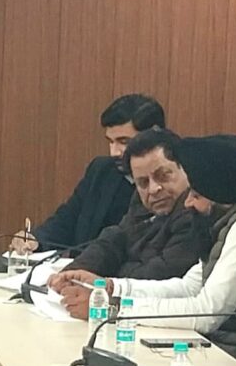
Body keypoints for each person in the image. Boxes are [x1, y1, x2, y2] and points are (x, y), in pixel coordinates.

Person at [58, 133, 236, 348]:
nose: (188, 203)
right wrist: (111, 288)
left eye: (196, 194)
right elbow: (189, 286)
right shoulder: (234, 216)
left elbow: (206, 313)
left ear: (222, 193)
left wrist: (111, 310)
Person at [41, 128, 210, 309]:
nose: (153, 189)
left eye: (163, 176)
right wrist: (73, 274)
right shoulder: (142, 202)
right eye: (143, 182)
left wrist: (107, 283)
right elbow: (114, 241)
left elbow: (162, 275)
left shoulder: (196, 212)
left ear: (185, 169)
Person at [10, 94, 168, 254]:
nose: (114, 152)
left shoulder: (169, 185)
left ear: (154, 136)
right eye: (111, 142)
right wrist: (35, 240)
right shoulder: (102, 171)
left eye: (124, 142)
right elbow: (67, 219)